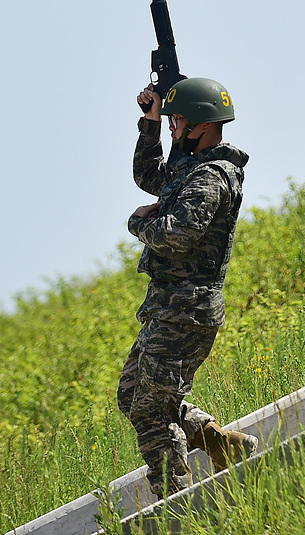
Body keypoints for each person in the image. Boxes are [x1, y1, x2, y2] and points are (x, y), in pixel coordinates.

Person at [117, 76, 257, 500]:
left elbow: (177, 234)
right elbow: (148, 176)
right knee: (132, 395)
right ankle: (223, 445)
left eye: (178, 119)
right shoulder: (190, 169)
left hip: (188, 309)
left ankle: (180, 506)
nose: (172, 126)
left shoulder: (210, 177)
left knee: (150, 411)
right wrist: (150, 121)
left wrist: (139, 223)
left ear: (201, 125)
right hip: (169, 307)